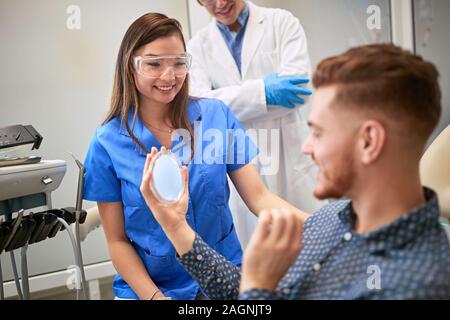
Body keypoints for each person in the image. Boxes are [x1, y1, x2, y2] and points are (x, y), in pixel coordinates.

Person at [141, 44, 450, 299]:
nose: (306, 148)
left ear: (369, 141)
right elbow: (240, 292)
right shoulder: (333, 218)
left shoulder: (415, 282)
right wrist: (176, 228)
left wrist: (259, 290)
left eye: (318, 132)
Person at [83, 12, 309, 300]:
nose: (169, 76)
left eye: (179, 63)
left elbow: (260, 199)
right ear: (130, 67)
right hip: (152, 287)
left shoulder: (216, 116)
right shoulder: (107, 142)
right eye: (153, 64)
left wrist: (331, 224)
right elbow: (117, 242)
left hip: (223, 276)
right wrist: (155, 298)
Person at [188, 0, 324, 246]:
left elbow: (297, 89)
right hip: (241, 164)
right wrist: (264, 91)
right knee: (259, 259)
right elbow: (201, 108)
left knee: (311, 246)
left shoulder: (282, 23)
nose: (219, 4)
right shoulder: (196, 48)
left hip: (288, 157)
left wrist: (225, 97)